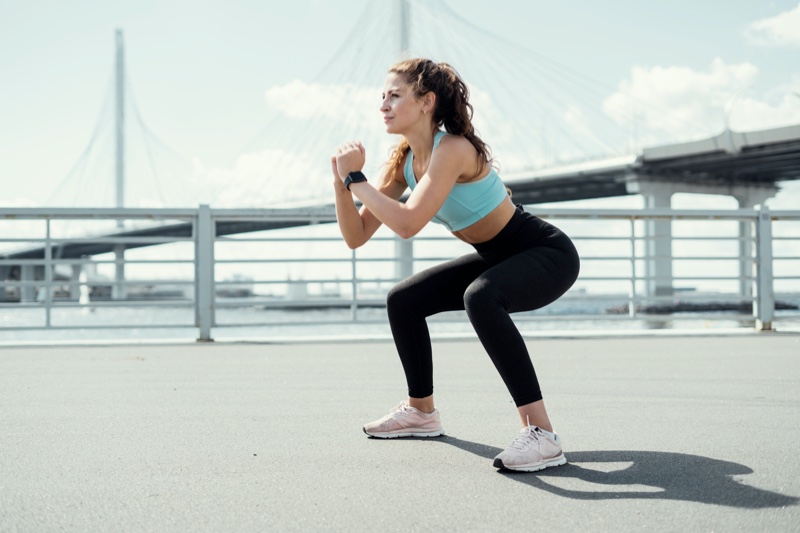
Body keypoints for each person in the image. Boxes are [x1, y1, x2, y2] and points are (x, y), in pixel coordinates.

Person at [331, 58, 580, 472]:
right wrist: (340, 180)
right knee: (403, 300)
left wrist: (356, 180)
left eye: (395, 95)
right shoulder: (405, 160)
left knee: (480, 297)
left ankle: (543, 435)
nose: (383, 105)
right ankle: (421, 412)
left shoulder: (454, 149)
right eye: (382, 96)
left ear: (427, 101)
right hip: (497, 255)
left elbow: (408, 223)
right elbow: (356, 235)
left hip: (545, 252)